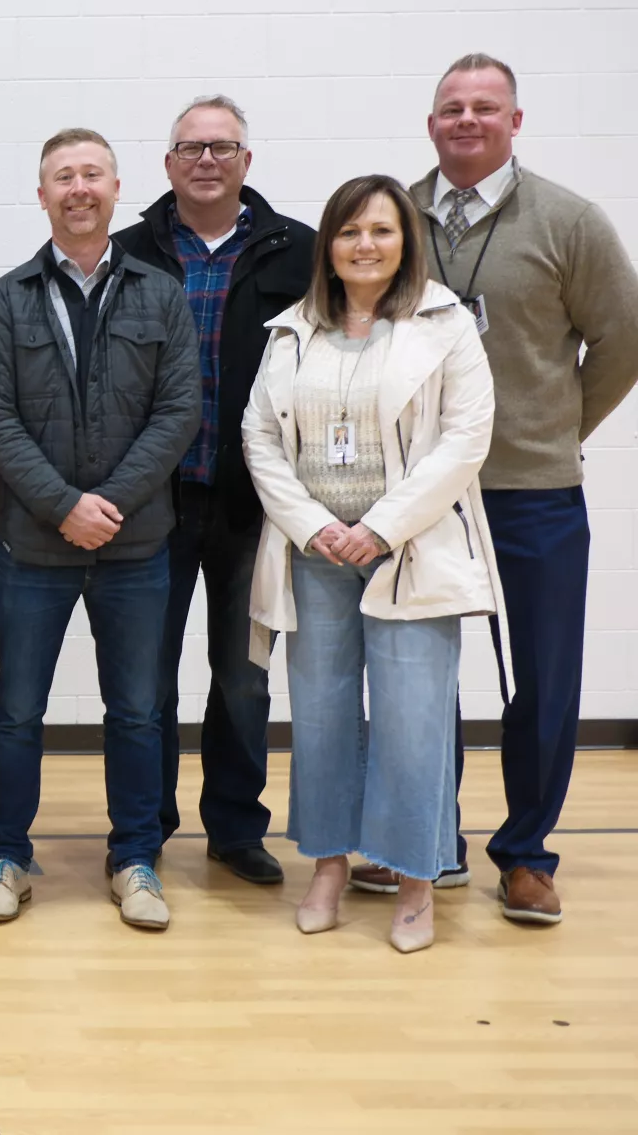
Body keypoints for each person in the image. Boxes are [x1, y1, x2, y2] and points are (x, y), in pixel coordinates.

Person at [388, 53, 638, 926]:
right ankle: (429, 842)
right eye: (450, 107)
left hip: (530, 490)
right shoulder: (396, 218)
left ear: (515, 122)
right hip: (420, 495)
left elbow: (622, 341)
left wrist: (558, 429)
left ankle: (526, 854)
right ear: (431, 125)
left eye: (484, 108)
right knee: (421, 677)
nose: (466, 120)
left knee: (541, 677)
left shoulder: (570, 221)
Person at [243, 173, 502, 954]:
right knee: (320, 717)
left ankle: (415, 879)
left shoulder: (445, 325)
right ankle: (327, 866)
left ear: (405, 243)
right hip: (316, 553)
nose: (365, 245)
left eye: (381, 231)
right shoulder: (293, 329)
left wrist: (382, 527)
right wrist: (316, 524)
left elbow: (467, 438)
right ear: (328, 245)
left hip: (409, 551)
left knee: (412, 720)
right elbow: (260, 437)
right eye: (350, 231)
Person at [0, 128, 198, 931]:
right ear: (42, 195)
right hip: (33, 548)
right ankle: (7, 856)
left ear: (114, 188)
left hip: (136, 549)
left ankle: (135, 858)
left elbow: (178, 413)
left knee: (138, 710)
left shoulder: (159, 293)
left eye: (91, 174)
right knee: (17, 710)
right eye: (62, 176)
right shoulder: (5, 300)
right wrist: (63, 503)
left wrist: (112, 505)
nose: (77, 188)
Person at [111, 95, 317, 887]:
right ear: (167, 164)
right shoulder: (132, 252)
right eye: (190, 148)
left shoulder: (296, 252)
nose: (205, 160)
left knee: (243, 676)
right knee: (147, 678)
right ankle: (146, 829)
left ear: (246, 162)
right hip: (152, 504)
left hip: (253, 506)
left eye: (221, 148)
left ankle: (235, 828)